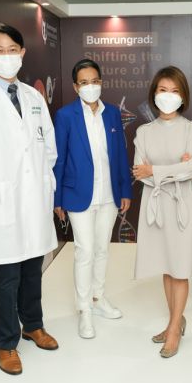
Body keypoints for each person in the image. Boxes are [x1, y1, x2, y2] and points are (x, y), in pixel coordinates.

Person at [0, 23, 59, 376]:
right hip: (2, 199)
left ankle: (33, 325)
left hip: (34, 197)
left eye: (12, 50)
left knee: (33, 268)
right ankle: (6, 343)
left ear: (22, 53)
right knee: (7, 277)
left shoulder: (33, 97)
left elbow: (48, 145)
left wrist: (45, 181)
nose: (6, 56)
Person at [133, 66, 192, 358]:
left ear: (183, 96)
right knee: (167, 267)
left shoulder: (190, 129)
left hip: (182, 205)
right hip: (156, 206)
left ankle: (174, 328)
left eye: (175, 91)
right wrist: (175, 168)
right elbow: (139, 172)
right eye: (163, 90)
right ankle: (174, 322)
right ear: (154, 94)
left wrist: (155, 170)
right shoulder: (144, 131)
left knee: (179, 269)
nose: (168, 96)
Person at [53, 59, 132, 339]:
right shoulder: (65, 116)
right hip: (78, 195)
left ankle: (98, 298)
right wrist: (57, 199)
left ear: (101, 82)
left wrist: (125, 190)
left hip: (109, 194)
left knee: (102, 249)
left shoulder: (112, 113)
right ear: (76, 87)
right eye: (84, 82)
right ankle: (84, 309)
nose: (90, 86)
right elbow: (59, 159)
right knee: (84, 251)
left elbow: (120, 154)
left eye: (95, 81)